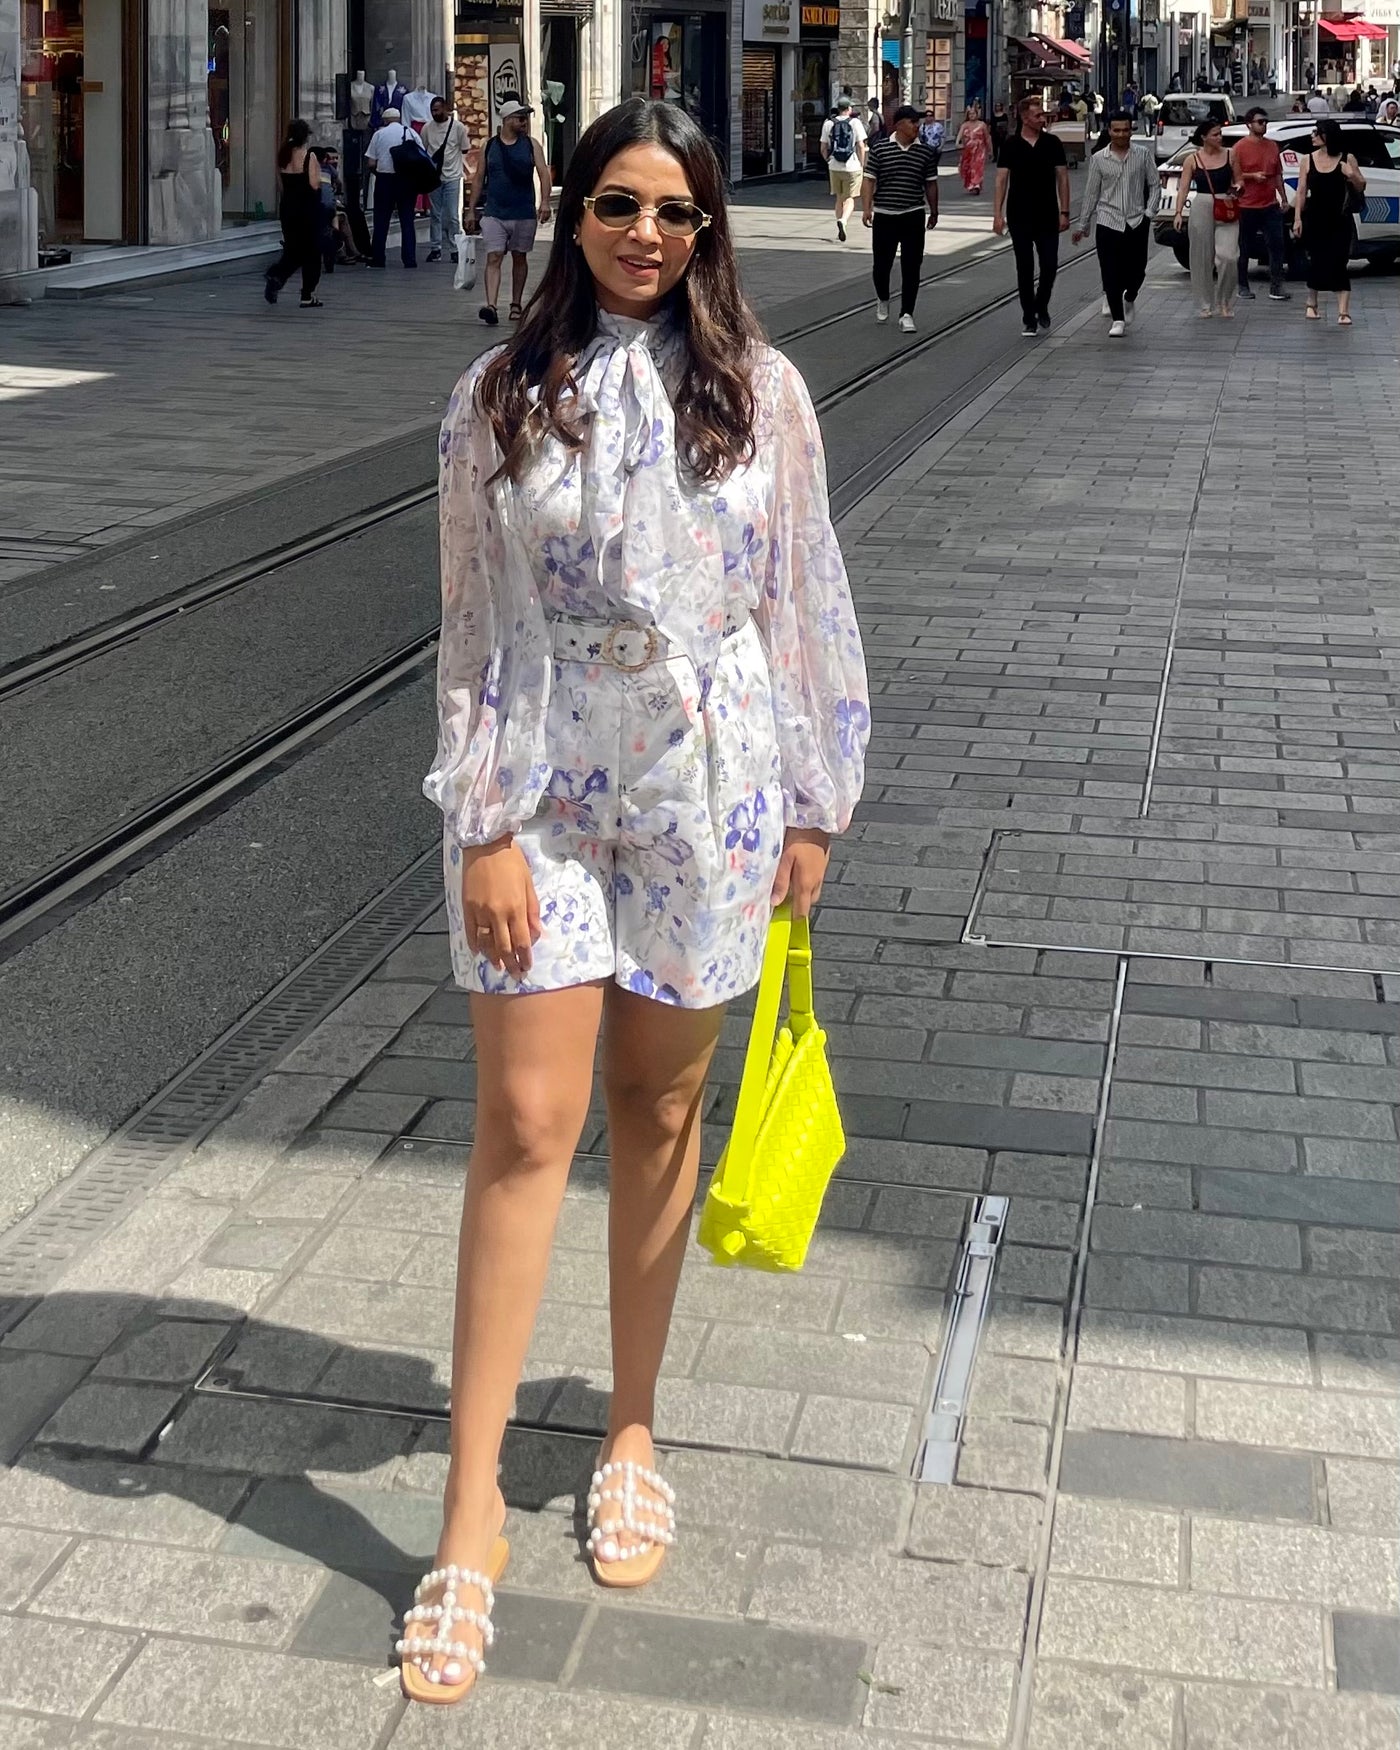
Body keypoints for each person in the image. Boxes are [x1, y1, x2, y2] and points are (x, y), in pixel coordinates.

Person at [413, 93, 869, 1711]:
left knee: (661, 1116)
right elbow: (471, 623)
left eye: (677, 211)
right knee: (527, 1125)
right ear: (575, 213)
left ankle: (629, 1429)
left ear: (708, 230)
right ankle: (471, 1514)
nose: (646, 235)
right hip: (544, 781)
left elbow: (802, 592)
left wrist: (812, 793)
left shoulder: (765, 392)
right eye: (618, 203)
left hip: (707, 787)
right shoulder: (497, 396)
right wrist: (481, 820)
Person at [468, 97, 553, 325]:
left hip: (523, 212)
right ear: (506, 120)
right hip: (494, 212)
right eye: (520, 118)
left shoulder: (532, 145)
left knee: (519, 257)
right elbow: (479, 178)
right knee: (494, 256)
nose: (524, 122)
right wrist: (471, 210)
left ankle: (516, 304)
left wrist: (545, 202)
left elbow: (543, 173)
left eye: (525, 118)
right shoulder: (489, 146)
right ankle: (491, 305)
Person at [1072, 111, 1158, 336]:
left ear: (1131, 130)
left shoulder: (1142, 154)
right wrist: (1082, 224)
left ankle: (1130, 297)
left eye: (1125, 130)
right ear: (1109, 131)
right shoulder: (1099, 158)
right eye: (1116, 130)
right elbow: (1091, 193)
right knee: (1110, 271)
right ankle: (1117, 320)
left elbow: (1154, 184)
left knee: (1137, 270)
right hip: (1108, 220)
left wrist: (1149, 212)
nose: (1121, 134)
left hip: (1136, 220)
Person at [993, 94, 1070, 336]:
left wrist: (1065, 211)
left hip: (1047, 213)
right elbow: (1001, 180)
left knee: (1050, 265)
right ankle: (1029, 316)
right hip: (1019, 215)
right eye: (1037, 115)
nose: (1042, 119)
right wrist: (997, 214)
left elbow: (1062, 177)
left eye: (1042, 115)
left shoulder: (1052, 143)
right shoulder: (1011, 144)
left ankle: (1041, 303)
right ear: (1025, 118)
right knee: (1024, 267)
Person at [861, 102, 941, 332]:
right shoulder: (880, 149)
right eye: (912, 122)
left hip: (913, 215)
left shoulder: (926, 152)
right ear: (898, 125)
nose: (917, 126)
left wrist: (934, 210)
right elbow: (869, 180)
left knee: (912, 266)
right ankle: (883, 297)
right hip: (885, 215)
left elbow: (931, 184)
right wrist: (866, 208)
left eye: (918, 122)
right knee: (881, 265)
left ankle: (907, 313)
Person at [1294, 116, 1365, 323]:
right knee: (1316, 260)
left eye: (1317, 132)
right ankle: (1311, 303)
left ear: (1328, 136)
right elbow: (1301, 191)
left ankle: (1343, 312)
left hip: (1340, 218)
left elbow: (1361, 185)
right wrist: (1297, 218)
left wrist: (1351, 174)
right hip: (1315, 217)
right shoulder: (1307, 159)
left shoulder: (1347, 158)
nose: (1312, 136)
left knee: (1339, 261)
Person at [1172, 116, 1239, 317]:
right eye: (1215, 134)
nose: (1219, 137)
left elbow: (1240, 178)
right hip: (1201, 205)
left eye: (1220, 134)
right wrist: (1178, 212)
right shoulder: (1192, 159)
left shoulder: (1231, 154)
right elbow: (1183, 188)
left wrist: (1238, 187)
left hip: (1226, 205)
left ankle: (1225, 301)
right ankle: (1204, 304)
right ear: (1204, 137)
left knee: (1229, 256)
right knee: (1201, 258)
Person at [264, 119, 324, 307]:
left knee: (293, 249)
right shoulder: (309, 156)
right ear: (305, 136)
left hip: (288, 208)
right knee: (312, 252)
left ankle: (277, 275)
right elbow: (314, 184)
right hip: (307, 209)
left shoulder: (282, 156)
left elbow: (281, 186)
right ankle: (307, 294)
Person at [1233, 107, 1290, 302]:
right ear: (1249, 124)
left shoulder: (1272, 146)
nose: (1264, 125)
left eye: (1266, 121)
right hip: (1246, 205)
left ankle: (1276, 286)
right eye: (1260, 122)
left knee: (1277, 245)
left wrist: (1283, 198)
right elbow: (1234, 175)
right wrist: (1252, 176)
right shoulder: (1239, 148)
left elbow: (1277, 175)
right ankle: (1243, 285)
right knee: (1244, 247)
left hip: (1270, 205)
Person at [365, 107, 423, 268]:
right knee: (407, 220)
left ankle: (378, 258)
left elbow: (371, 163)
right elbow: (422, 155)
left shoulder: (379, 134)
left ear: (385, 120)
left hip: (385, 179)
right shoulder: (411, 132)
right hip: (407, 181)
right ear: (399, 118)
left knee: (381, 220)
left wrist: (378, 173)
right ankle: (409, 259)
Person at [423, 96, 470, 264]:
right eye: (432, 111)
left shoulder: (458, 127)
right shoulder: (427, 128)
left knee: (452, 215)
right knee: (435, 214)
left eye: (437, 110)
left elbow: (465, 148)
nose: (434, 113)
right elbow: (424, 149)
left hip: (453, 176)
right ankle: (435, 248)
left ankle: (454, 249)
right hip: (434, 177)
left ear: (445, 109)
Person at [820, 96, 867, 241]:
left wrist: (828, 160)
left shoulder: (828, 123)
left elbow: (823, 147)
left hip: (834, 166)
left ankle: (840, 222)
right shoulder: (855, 122)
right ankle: (843, 220)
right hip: (852, 166)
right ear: (849, 109)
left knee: (839, 198)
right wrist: (862, 163)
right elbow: (860, 146)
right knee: (849, 198)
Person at [956, 104, 992, 194]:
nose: (972, 115)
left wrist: (990, 150)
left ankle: (976, 185)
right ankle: (971, 184)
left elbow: (987, 137)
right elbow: (960, 135)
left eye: (973, 114)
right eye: (970, 114)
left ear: (977, 114)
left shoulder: (982, 124)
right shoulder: (965, 124)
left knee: (977, 166)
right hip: (968, 150)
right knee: (968, 167)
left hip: (979, 149)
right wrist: (957, 143)